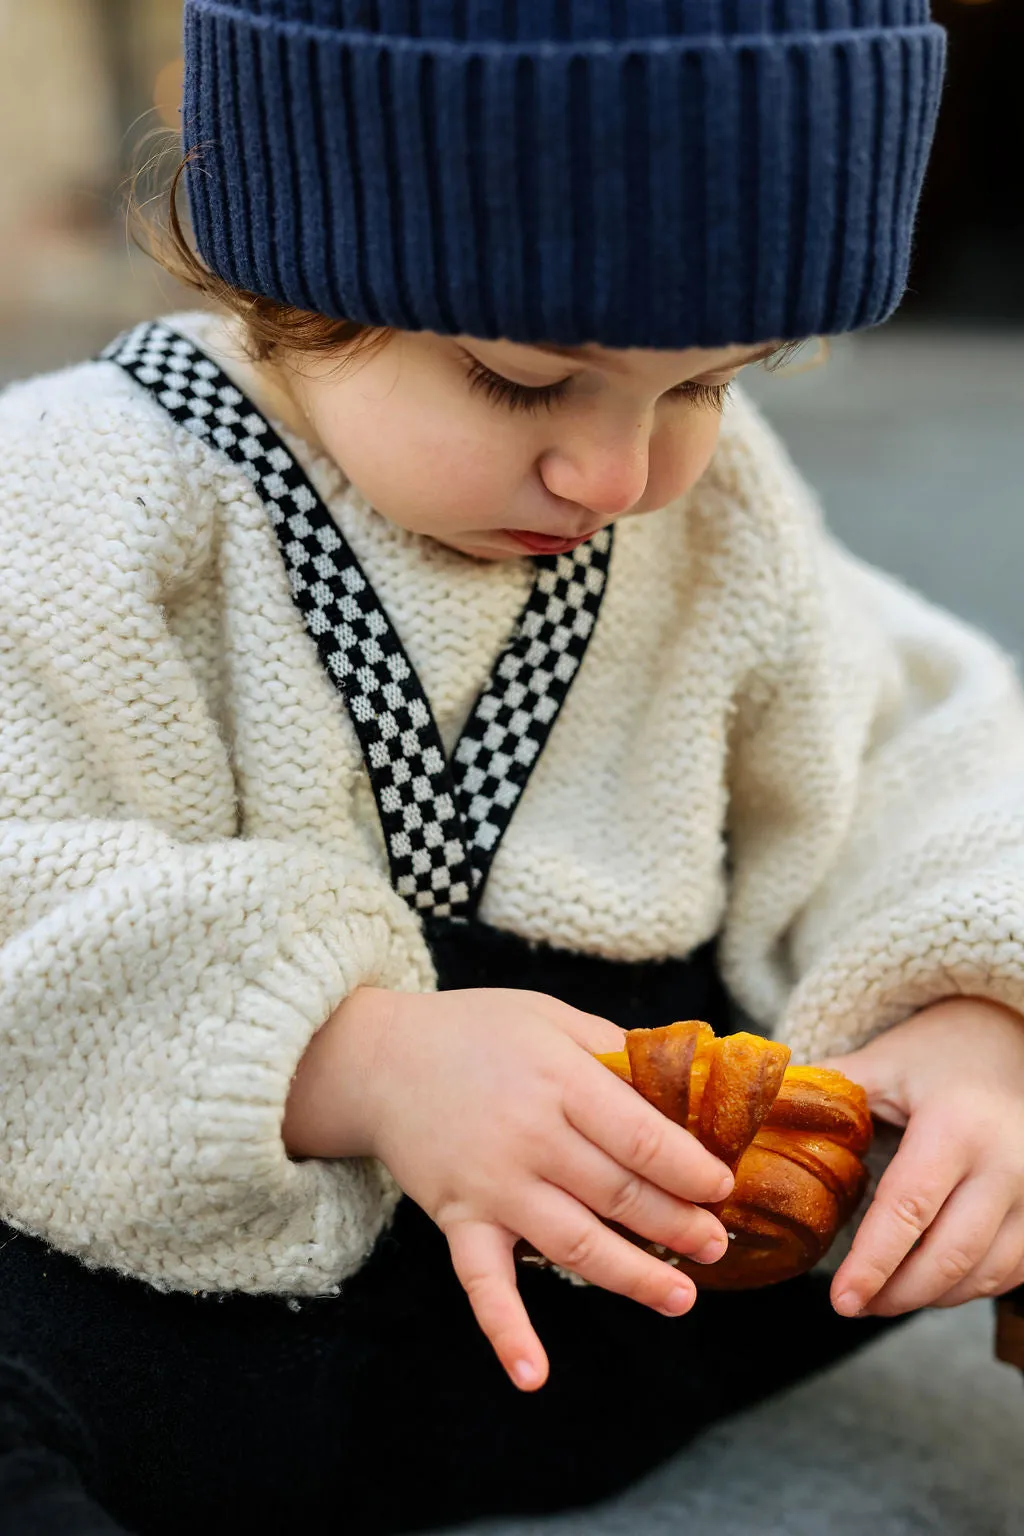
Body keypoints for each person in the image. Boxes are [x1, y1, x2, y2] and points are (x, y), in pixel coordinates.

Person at [1, 2, 1021, 1533]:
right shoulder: (82, 498)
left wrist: (968, 1014)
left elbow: (919, 751)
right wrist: (358, 1059)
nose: (617, 474)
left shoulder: (715, 514)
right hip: (220, 1298)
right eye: (525, 380)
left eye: (707, 383)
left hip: (644, 1266)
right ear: (294, 278)